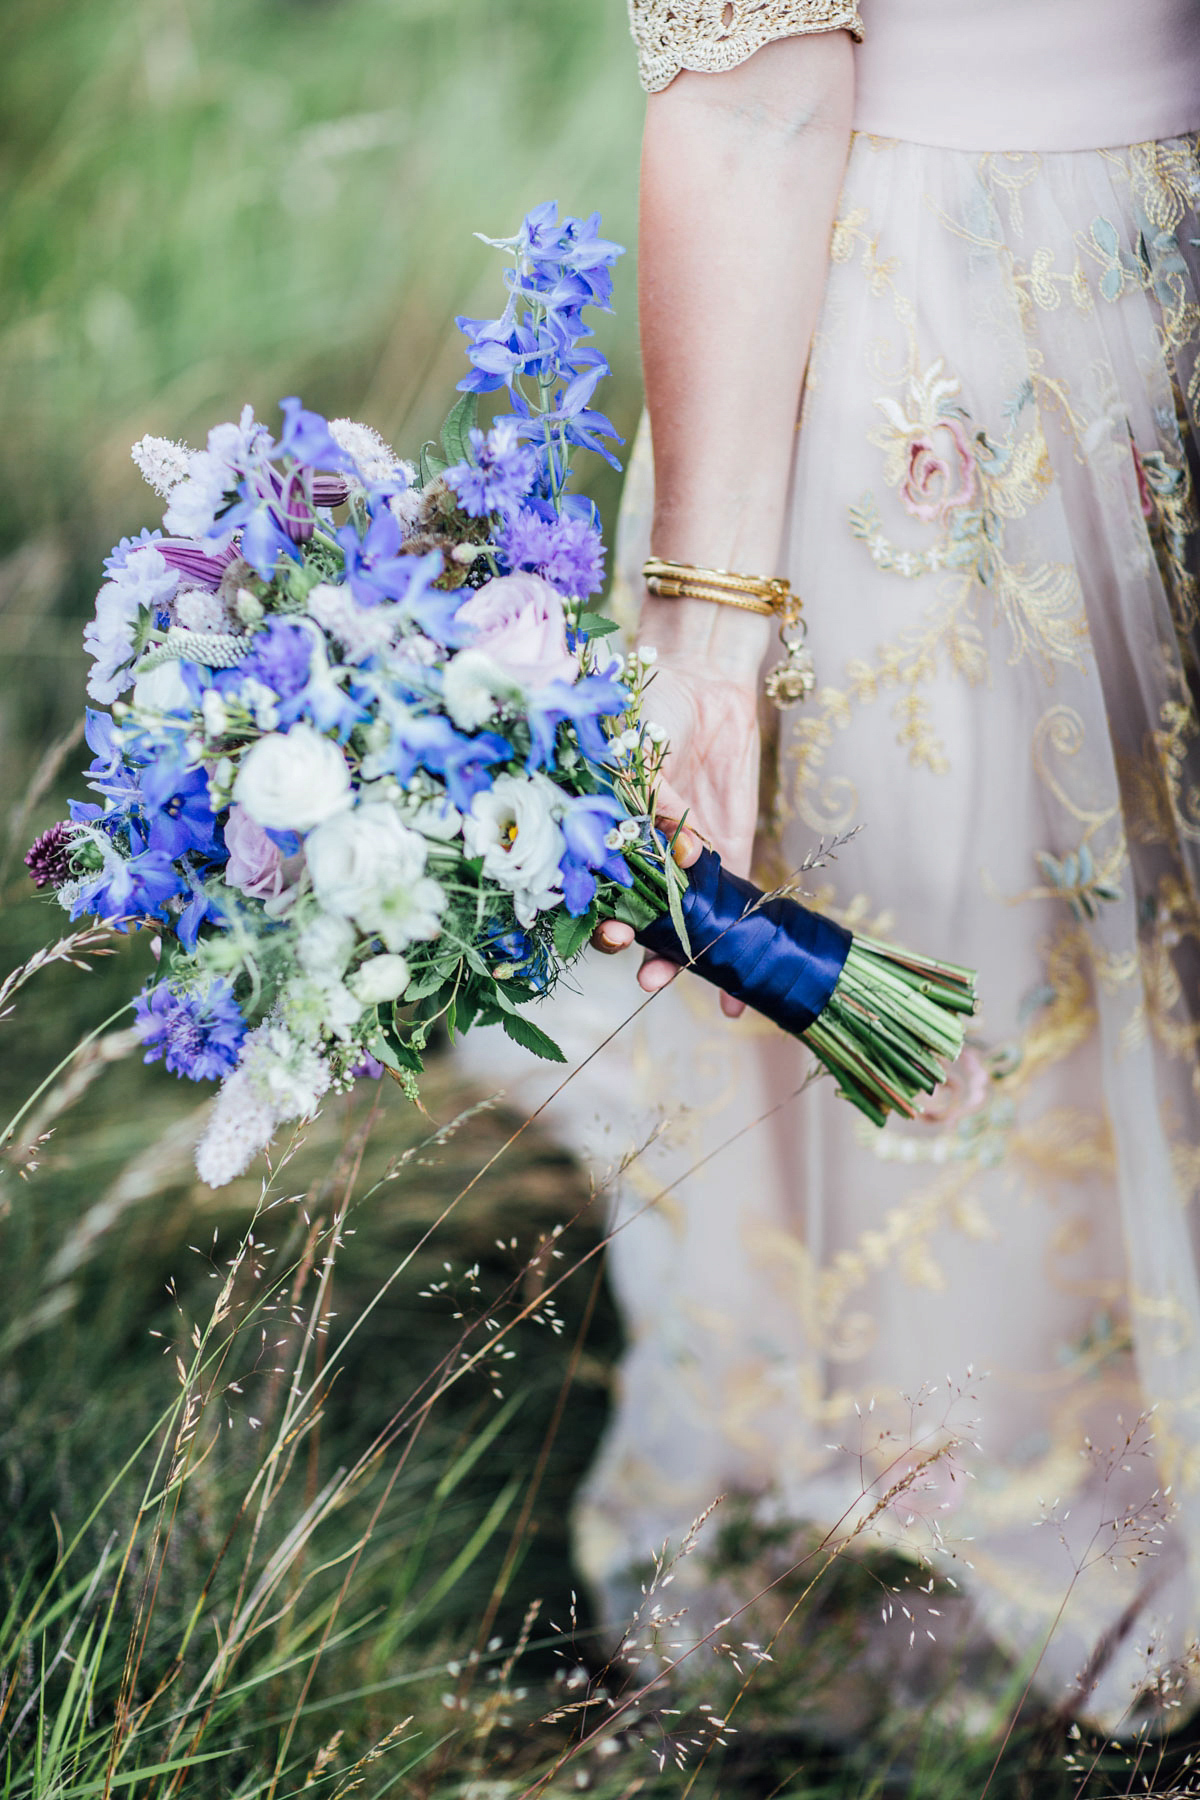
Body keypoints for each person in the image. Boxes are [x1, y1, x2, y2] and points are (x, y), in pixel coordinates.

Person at [462, 0, 1200, 1725]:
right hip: (961, 341)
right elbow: (754, 107)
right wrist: (711, 644)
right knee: (999, 978)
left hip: (1142, 299)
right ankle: (994, 1515)